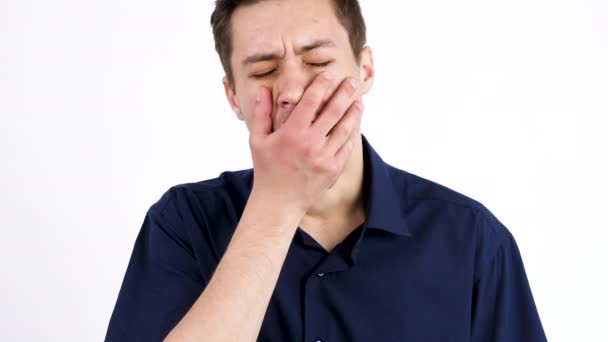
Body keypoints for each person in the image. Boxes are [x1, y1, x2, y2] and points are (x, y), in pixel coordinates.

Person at [105, 0, 547, 341]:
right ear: (233, 97)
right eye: (264, 70)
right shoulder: (183, 224)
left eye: (317, 62)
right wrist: (279, 200)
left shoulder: (472, 241)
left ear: (365, 69)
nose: (295, 90)